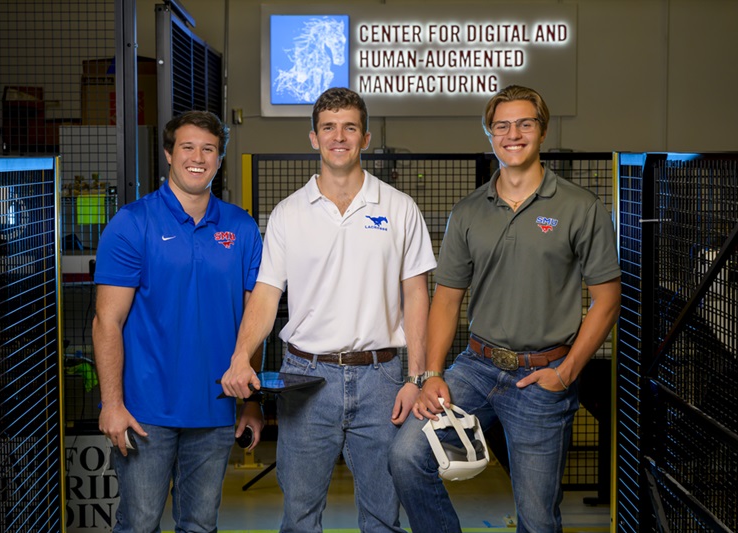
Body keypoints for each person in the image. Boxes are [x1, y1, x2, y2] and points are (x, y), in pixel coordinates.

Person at [389, 85, 621, 533]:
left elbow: (607, 300)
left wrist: (567, 372)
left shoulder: (580, 207)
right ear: (489, 135)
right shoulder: (468, 211)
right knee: (405, 457)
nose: (513, 134)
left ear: (542, 130)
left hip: (541, 376)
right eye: (502, 126)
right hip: (476, 368)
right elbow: (447, 299)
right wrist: (432, 373)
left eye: (524, 123)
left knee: (536, 518)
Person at [219, 87, 437, 533]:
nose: (339, 136)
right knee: (299, 517)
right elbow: (264, 295)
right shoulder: (287, 214)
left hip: (382, 379)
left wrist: (418, 378)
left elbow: (417, 296)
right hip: (306, 378)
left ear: (366, 137)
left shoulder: (399, 208)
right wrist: (241, 356)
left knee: (383, 517)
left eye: (349, 127)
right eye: (329, 128)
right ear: (314, 138)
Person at [92, 110, 264, 533]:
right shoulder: (133, 223)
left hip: (216, 411)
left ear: (220, 159)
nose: (198, 157)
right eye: (187, 147)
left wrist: (251, 401)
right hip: (144, 412)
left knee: (201, 526)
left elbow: (253, 322)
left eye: (209, 149)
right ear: (169, 154)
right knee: (140, 524)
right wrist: (112, 404)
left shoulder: (241, 228)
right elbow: (106, 322)